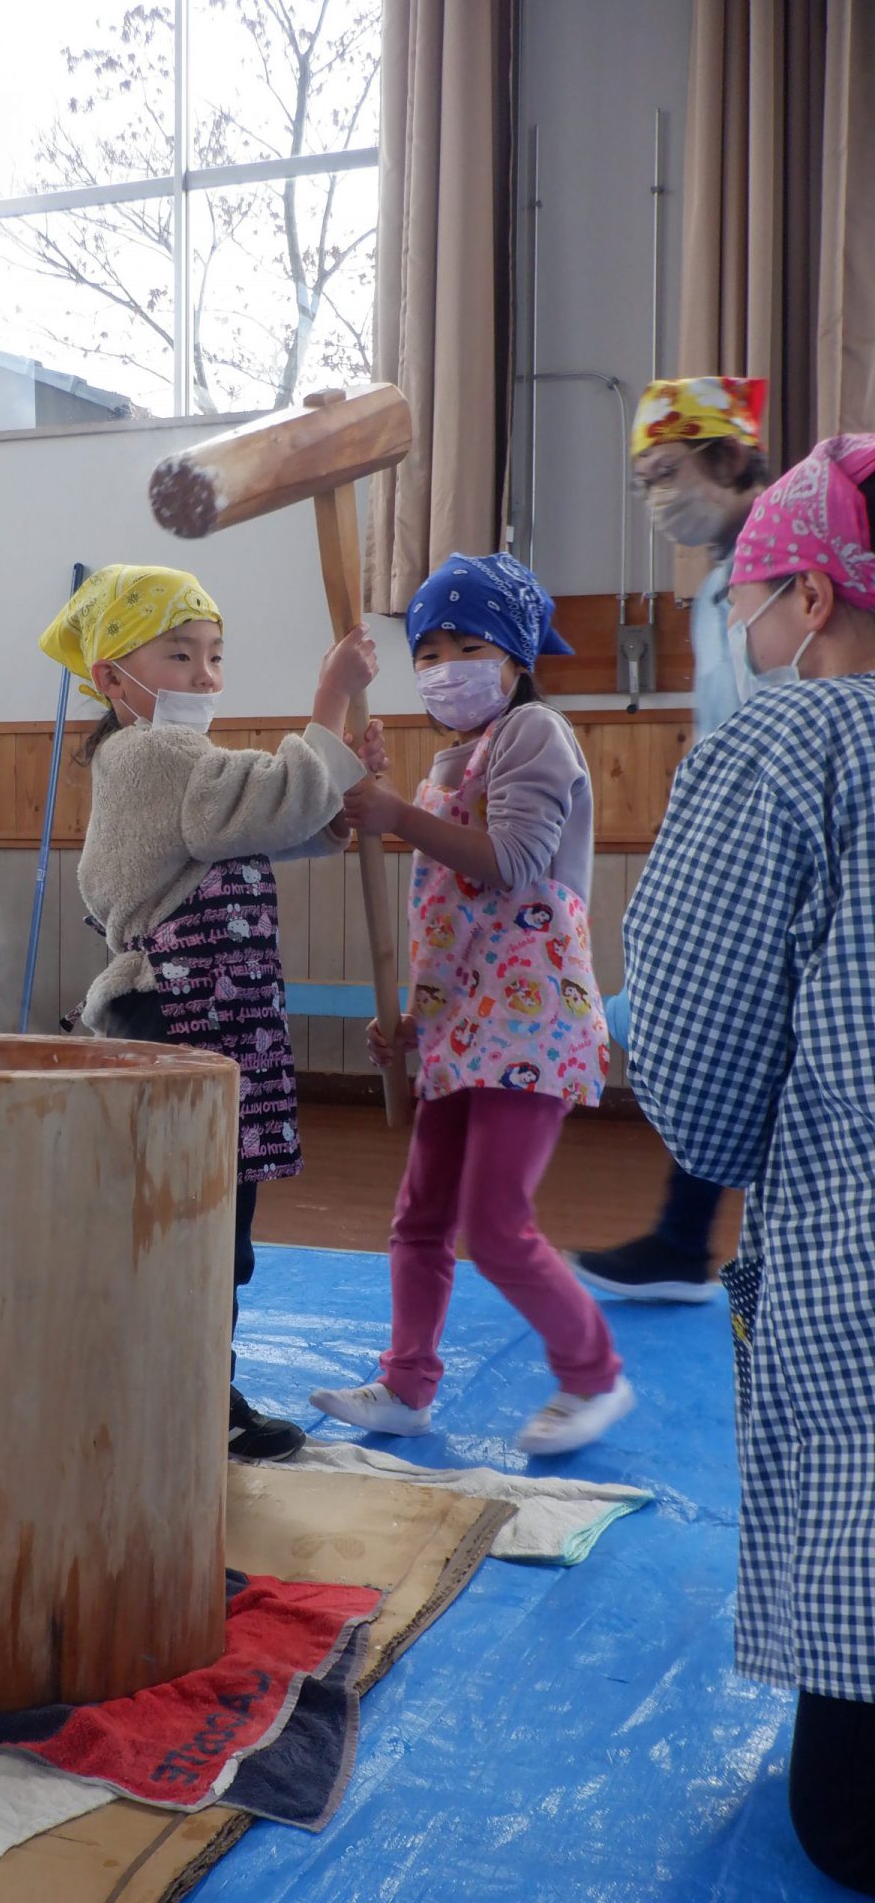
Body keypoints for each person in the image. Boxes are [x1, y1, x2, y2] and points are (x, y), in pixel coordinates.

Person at [623, 435, 875, 1895]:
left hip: (859, 1272)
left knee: (849, 1821)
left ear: (811, 598)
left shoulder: (797, 740)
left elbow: (705, 1075)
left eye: (751, 601)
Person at [40, 563, 374, 1461]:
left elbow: (258, 824)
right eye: (179, 655)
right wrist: (332, 701)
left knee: (209, 1228)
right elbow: (262, 801)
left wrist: (335, 788)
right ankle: (179, 1399)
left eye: (215, 655)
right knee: (198, 1231)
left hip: (209, 1020)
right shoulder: (155, 756)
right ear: (112, 677)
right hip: (178, 1018)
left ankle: (187, 1390)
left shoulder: (172, 766)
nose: (205, 675)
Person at [309, 553, 633, 1457]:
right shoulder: (448, 765)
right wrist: (416, 1023)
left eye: (467, 646)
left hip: (536, 1027)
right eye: (429, 651)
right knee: (419, 1218)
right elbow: (456, 925)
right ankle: (406, 1385)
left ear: (516, 657)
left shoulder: (535, 733)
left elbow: (515, 865)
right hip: (465, 1028)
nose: (444, 666)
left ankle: (594, 1374)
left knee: (493, 1226)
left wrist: (394, 817)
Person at [571, 375, 769, 1306]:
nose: (657, 498)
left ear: (727, 457)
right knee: (736, 1035)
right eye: (643, 481)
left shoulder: (784, 567)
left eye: (669, 473)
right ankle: (685, 1241)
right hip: (740, 830)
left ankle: (700, 1243)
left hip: (791, 827)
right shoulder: (717, 584)